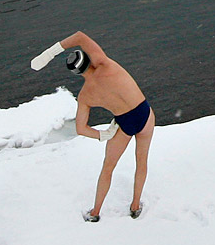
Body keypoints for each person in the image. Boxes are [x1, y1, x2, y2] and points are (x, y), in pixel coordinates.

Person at [34, 31, 154, 221]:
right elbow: (80, 37)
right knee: (141, 161)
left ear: (76, 72)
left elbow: (81, 128)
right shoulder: (106, 65)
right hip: (144, 113)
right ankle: (135, 206)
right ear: (89, 59)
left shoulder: (85, 96)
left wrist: (103, 135)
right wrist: (51, 52)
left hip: (124, 124)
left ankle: (95, 212)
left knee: (108, 168)